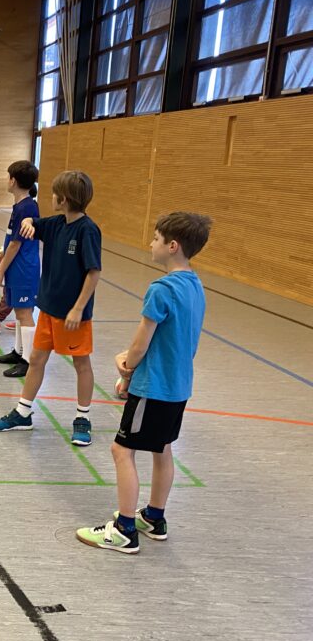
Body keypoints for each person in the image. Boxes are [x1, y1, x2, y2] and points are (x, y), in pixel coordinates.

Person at [76, 212, 212, 554]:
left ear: (172, 246)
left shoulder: (161, 289)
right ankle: (154, 517)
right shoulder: (196, 286)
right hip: (178, 386)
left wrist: (127, 367)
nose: (151, 244)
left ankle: (124, 530)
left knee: (121, 450)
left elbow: (141, 343)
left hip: (153, 387)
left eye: (155, 238)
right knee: (162, 447)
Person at [0, 171, 101, 447]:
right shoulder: (55, 224)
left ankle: (82, 418)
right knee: (36, 360)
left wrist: (78, 308)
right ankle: (23, 413)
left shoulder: (87, 230)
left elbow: (93, 272)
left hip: (73, 316)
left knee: (81, 364)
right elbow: (32, 222)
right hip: (48, 309)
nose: (50, 197)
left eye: (54, 193)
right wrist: (27, 221)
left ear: (64, 199)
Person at [0, 161, 41, 379]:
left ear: (13, 181)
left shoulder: (27, 207)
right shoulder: (19, 206)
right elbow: (11, 240)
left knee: (24, 312)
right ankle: (19, 352)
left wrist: (1, 270)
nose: (7, 180)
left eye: (8, 177)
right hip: (16, 266)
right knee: (19, 312)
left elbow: (16, 244)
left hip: (24, 268)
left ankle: (28, 361)